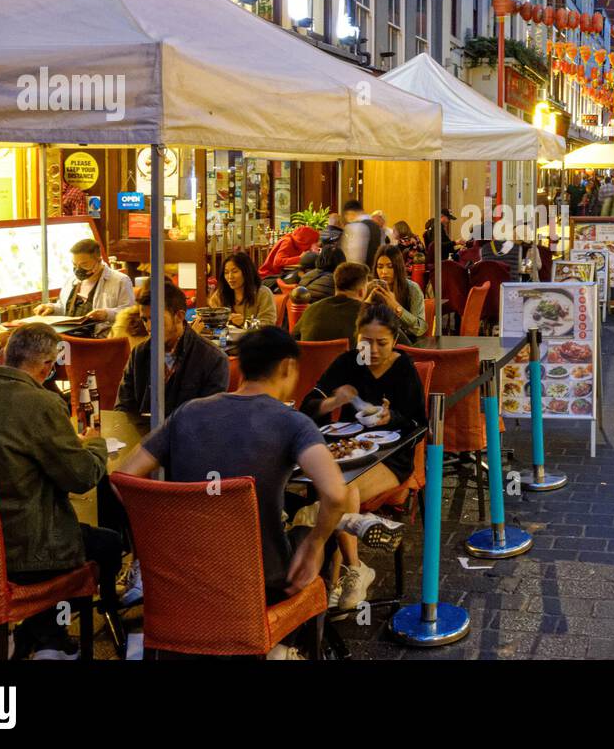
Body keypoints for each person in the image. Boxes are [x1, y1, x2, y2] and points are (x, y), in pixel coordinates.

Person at [119, 327, 349, 626]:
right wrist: (315, 544)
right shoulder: (294, 423)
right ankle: (287, 642)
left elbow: (124, 478)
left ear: (239, 367)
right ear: (287, 367)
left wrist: (161, 534)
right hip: (262, 582)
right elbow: (335, 494)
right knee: (320, 536)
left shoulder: (187, 413)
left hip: (183, 579)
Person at [0, 323, 121, 658]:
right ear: (47, 368)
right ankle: (49, 634)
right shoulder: (41, 404)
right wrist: (95, 444)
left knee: (35, 523)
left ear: (3, 356)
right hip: (22, 556)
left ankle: (36, 632)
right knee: (108, 543)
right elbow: (82, 476)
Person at [301, 302, 425, 609]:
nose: (373, 349)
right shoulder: (347, 363)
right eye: (366, 341)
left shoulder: (404, 368)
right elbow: (308, 407)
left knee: (340, 494)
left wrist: (390, 417)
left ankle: (335, 577)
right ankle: (353, 570)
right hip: (349, 452)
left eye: (381, 343)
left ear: (395, 340)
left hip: (392, 456)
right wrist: (331, 403)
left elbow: (420, 425)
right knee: (343, 492)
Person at [116, 279, 229, 417]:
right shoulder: (139, 353)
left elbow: (208, 420)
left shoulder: (212, 359)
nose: (149, 327)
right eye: (145, 320)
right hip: (142, 435)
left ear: (179, 316)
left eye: (156, 319)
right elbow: (123, 410)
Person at [33, 239, 134, 338]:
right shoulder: (71, 280)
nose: (78, 269)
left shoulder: (120, 281)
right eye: (75, 265)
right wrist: (52, 308)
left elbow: (129, 313)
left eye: (84, 264)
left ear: (99, 260)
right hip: (68, 337)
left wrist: (107, 314)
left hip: (99, 339)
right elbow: (64, 308)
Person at [297, 262, 369, 347]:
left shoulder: (312, 309)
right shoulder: (368, 315)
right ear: (361, 291)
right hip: (350, 360)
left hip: (308, 359)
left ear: (336, 286)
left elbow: (293, 339)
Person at [367, 244, 426, 342]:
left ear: (398, 267)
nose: (384, 272)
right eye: (380, 267)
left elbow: (420, 329)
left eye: (390, 267)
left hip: (406, 344)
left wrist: (396, 307)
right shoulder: (372, 288)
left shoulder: (412, 289)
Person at [204, 251, 275, 328]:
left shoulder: (263, 293)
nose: (230, 277)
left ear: (246, 272)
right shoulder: (222, 293)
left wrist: (244, 322)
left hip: (254, 339)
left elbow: (268, 325)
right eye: (226, 272)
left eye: (235, 271)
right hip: (226, 338)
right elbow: (215, 319)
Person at [339, 199, 382, 267]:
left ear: (350, 213)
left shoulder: (355, 226)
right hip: (373, 269)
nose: (346, 217)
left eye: (346, 215)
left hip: (359, 272)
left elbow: (354, 258)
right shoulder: (376, 225)